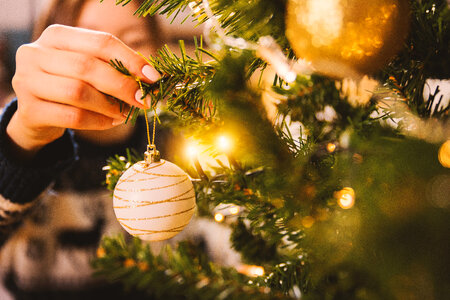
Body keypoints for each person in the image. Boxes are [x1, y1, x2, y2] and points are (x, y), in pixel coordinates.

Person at [0, 0, 175, 298]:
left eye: (134, 42)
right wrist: (24, 141)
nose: (114, 62)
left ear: (159, 51)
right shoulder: (19, 140)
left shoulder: (187, 147)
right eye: (89, 43)